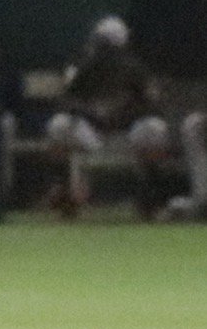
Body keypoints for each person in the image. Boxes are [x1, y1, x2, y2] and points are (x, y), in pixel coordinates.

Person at [42, 16, 178, 216]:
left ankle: (151, 195)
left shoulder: (136, 69)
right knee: (58, 125)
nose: (106, 49)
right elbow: (65, 101)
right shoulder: (84, 67)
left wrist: (123, 113)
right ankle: (63, 191)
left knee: (155, 128)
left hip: (127, 132)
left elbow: (153, 105)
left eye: (108, 43)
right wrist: (91, 112)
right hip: (92, 132)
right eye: (102, 43)